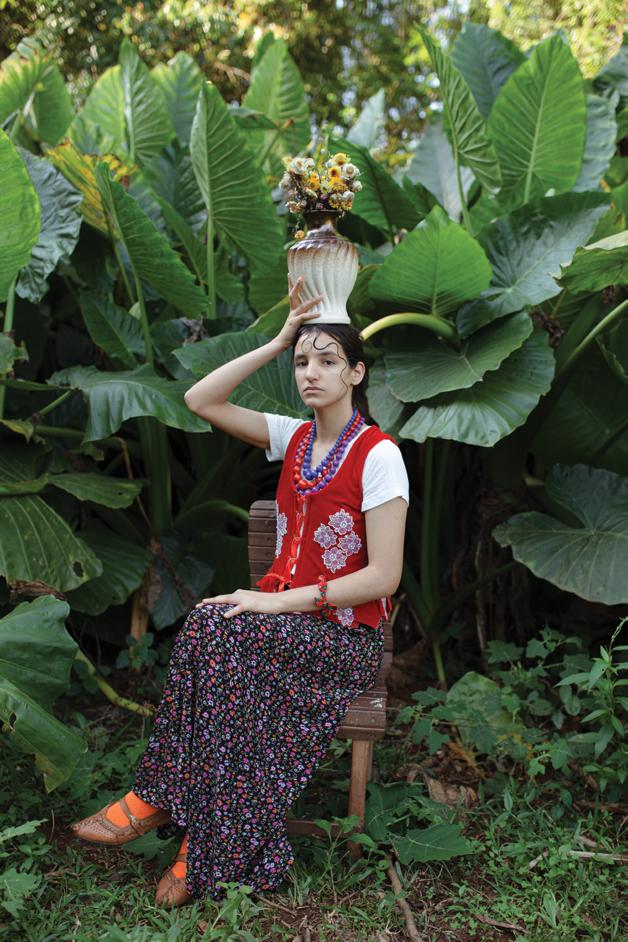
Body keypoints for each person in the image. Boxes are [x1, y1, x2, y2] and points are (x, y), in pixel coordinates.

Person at [69, 275, 409, 907]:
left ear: (356, 373)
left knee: (218, 629)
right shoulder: (295, 438)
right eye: (302, 362)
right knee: (211, 627)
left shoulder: (379, 455)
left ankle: (166, 808)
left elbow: (383, 576)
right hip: (280, 631)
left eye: (327, 361)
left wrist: (272, 600)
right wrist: (277, 339)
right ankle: (193, 832)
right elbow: (200, 399)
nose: (310, 373)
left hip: (341, 641)